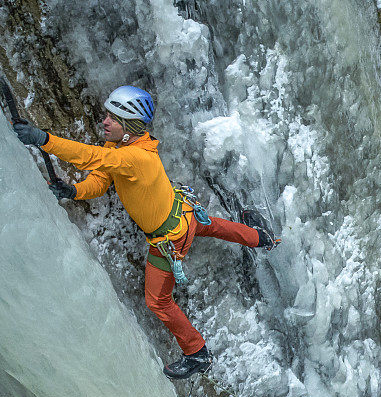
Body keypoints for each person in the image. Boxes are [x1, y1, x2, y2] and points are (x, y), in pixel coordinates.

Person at [14, 85, 278, 380]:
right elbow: (101, 178)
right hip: (183, 214)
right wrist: (75, 190)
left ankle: (197, 353)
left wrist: (43, 140)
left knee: (158, 301)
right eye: (107, 116)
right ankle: (261, 237)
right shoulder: (124, 149)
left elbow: (90, 158)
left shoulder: (135, 158)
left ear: (128, 127)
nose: (105, 121)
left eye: (112, 118)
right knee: (212, 226)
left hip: (170, 237)